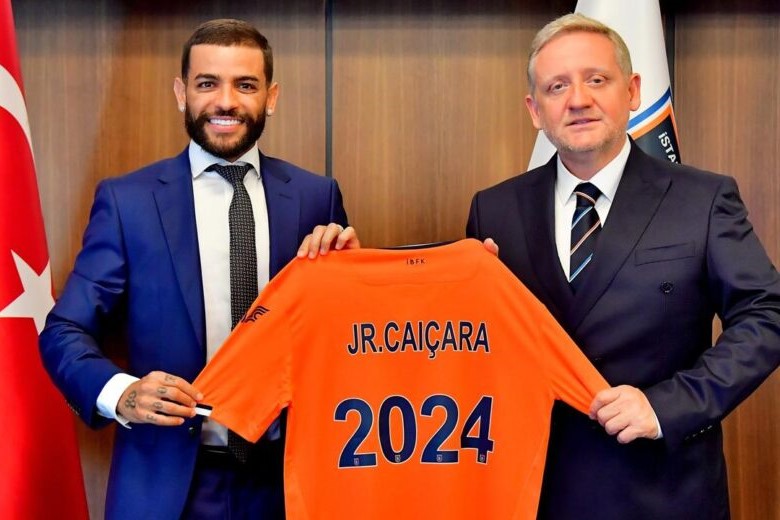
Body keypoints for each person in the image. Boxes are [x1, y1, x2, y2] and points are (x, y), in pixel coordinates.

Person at [39, 19, 357, 520]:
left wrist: (353, 281)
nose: (225, 102)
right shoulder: (128, 202)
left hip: (288, 484)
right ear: (181, 93)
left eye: (245, 85)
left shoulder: (317, 197)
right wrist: (122, 394)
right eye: (207, 83)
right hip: (167, 487)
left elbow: (342, 342)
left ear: (271, 97)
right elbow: (64, 330)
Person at [466, 13, 780, 520]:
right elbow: (468, 338)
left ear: (632, 91)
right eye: (557, 86)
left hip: (663, 491)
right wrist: (344, 265)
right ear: (535, 110)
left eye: (596, 80)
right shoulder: (494, 209)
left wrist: (667, 406)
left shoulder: (702, 199)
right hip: (534, 493)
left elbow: (767, 315)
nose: (578, 100)